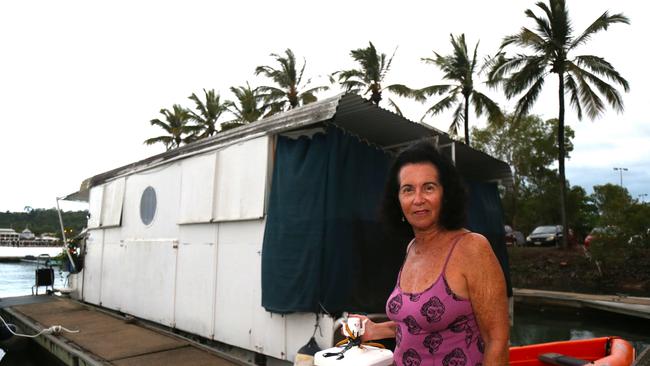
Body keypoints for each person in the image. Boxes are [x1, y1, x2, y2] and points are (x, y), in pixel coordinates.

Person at [353, 141, 509, 365]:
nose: (418, 199)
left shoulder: (472, 248)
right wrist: (375, 330)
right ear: (397, 200)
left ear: (445, 195)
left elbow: (497, 340)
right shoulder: (412, 248)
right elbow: (418, 324)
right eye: (408, 189)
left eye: (429, 187)